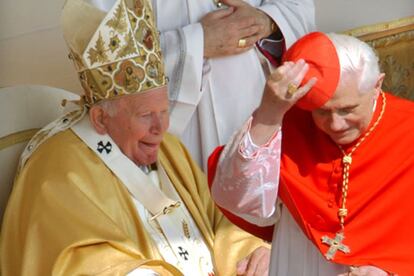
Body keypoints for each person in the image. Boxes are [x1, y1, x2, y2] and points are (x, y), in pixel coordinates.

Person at [0, 0, 269, 275]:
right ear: (101, 118)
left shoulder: (169, 148)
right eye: (145, 115)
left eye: (164, 111)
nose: (160, 127)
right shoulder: (56, 169)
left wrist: (250, 252)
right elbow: (79, 263)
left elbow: (220, 222)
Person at [209, 32, 414, 275]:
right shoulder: (289, 122)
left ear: (377, 85)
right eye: (323, 112)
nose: (336, 124)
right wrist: (267, 115)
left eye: (347, 110)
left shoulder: (407, 129)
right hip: (300, 260)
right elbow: (238, 196)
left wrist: (392, 270)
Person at [90, 0, 316, 170]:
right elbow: (101, 53)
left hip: (258, 98)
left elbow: (297, 7)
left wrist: (266, 22)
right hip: (178, 128)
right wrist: (196, 43)